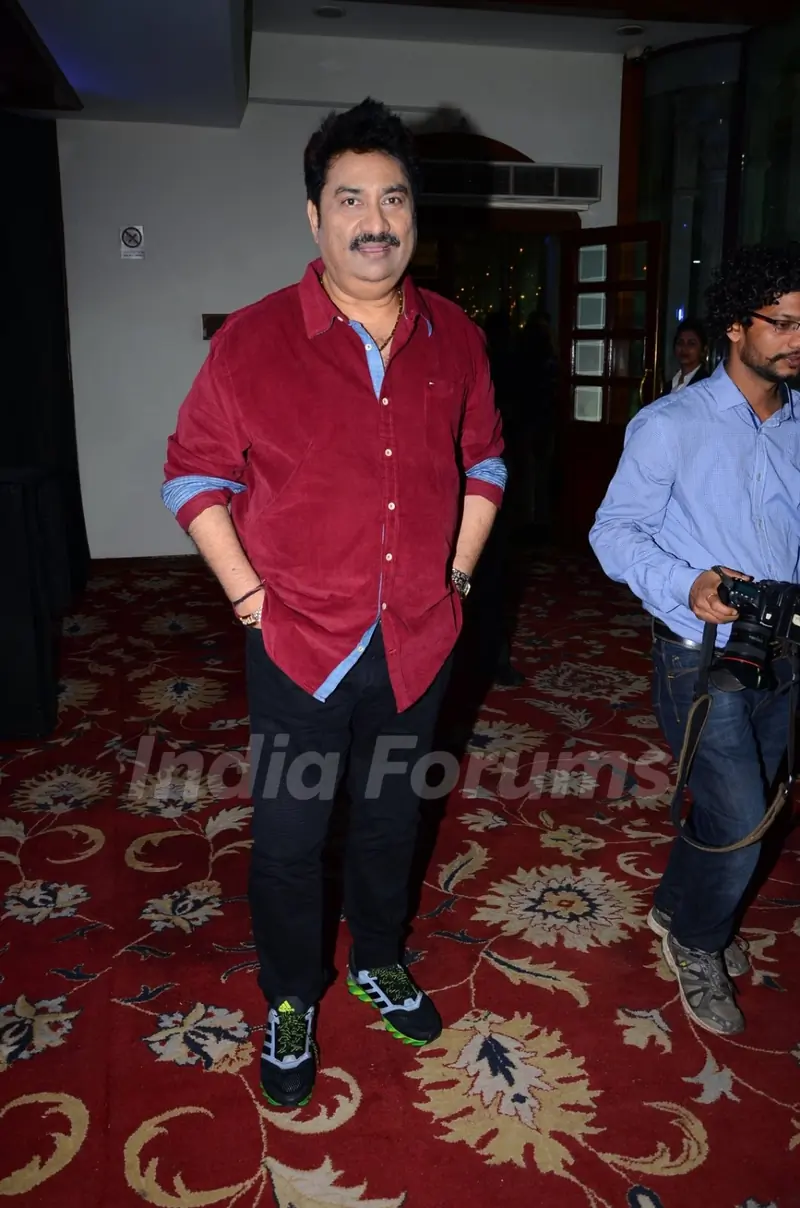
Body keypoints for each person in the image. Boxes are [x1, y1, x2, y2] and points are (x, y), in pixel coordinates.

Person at [161, 98, 505, 1105]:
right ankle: (289, 992)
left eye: (391, 198)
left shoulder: (456, 338)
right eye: (348, 198)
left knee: (394, 817)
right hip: (300, 639)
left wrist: (458, 572)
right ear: (313, 217)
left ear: (414, 212)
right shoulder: (255, 340)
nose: (373, 220)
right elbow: (192, 476)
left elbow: (482, 459)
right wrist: (249, 599)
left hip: (416, 635)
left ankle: (380, 954)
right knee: (291, 837)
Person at [589, 244, 800, 1036]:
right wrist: (689, 583)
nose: (795, 341)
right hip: (701, 658)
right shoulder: (670, 425)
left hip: (785, 654)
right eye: (781, 323)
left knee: (744, 812)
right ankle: (698, 940)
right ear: (735, 326)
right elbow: (612, 532)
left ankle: (679, 906)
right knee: (742, 823)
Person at [664, 318, 710, 393]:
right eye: (680, 343)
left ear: (703, 350)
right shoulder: (670, 385)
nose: (684, 348)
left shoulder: (705, 385)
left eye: (691, 344)